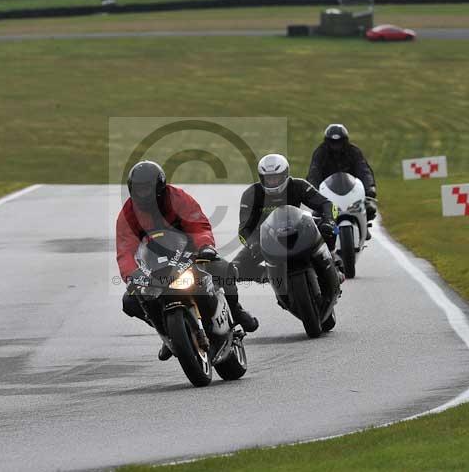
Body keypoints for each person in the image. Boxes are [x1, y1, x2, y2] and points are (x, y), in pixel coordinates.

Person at [116, 161, 259, 361]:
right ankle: (167, 333)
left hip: (190, 254)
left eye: (147, 188)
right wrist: (132, 274)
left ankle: (235, 312)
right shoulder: (128, 213)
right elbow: (125, 249)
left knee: (224, 269)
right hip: (154, 267)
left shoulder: (177, 198)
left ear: (159, 185)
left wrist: (205, 247)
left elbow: (197, 225)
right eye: (138, 189)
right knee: (130, 301)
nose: (143, 193)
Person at [234, 154, 343, 290]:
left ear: (285, 174)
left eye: (276, 177)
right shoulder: (251, 194)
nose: (272, 182)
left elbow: (327, 204)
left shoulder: (298, 185)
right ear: (261, 178)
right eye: (268, 178)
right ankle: (268, 275)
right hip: (266, 238)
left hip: (299, 230)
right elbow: (243, 228)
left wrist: (329, 222)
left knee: (327, 227)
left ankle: (333, 260)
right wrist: (253, 243)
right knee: (234, 269)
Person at [306, 124, 378, 222]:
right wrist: (314, 192)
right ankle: (325, 232)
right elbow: (314, 173)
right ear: (327, 141)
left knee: (370, 209)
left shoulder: (353, 151)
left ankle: (364, 225)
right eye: (333, 142)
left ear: (345, 140)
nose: (336, 145)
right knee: (316, 217)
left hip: (352, 191)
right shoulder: (320, 153)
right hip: (328, 194)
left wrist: (370, 188)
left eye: (339, 142)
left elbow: (364, 170)